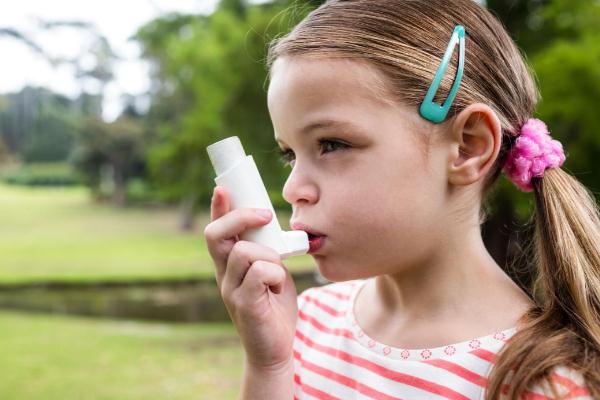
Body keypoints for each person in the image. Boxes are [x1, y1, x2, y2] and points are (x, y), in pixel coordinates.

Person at [203, 0, 600, 398]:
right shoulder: (306, 322)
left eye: (332, 144)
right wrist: (269, 366)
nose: (292, 190)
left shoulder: (541, 382)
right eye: (290, 154)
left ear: (468, 147)